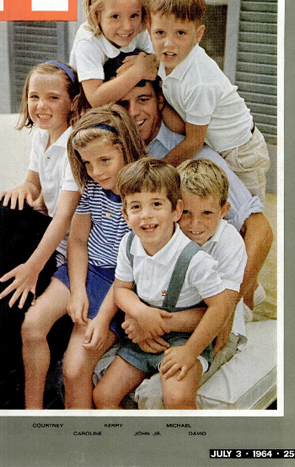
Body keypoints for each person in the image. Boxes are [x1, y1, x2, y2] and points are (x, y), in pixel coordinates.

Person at [116, 76, 272, 324]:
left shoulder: (192, 152)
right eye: (124, 103)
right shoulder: (115, 151)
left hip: (207, 283)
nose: (133, 112)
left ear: (159, 101)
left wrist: (228, 309)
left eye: (143, 100)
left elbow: (259, 229)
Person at [20, 104, 146, 409]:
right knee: (32, 326)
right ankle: (31, 413)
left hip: (119, 284)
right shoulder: (91, 187)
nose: (97, 171)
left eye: (105, 160)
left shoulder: (146, 194)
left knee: (75, 368)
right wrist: (76, 292)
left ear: (127, 150)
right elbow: (77, 241)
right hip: (83, 270)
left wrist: (99, 311)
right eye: (88, 163)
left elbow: (135, 270)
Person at [0, 61, 83, 409]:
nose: (41, 105)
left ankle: (16, 397)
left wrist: (31, 267)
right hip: (45, 229)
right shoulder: (42, 134)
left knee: (12, 299)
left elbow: (64, 218)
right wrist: (23, 188)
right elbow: (34, 184)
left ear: (73, 102)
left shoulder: (74, 145)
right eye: (34, 96)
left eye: (53, 97)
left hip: (66, 248)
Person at [93, 158, 230, 409]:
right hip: (142, 333)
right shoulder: (129, 244)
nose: (146, 215)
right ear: (125, 214)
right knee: (103, 397)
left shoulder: (194, 259)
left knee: (177, 399)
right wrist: (141, 313)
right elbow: (121, 289)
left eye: (156, 204)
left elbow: (220, 307)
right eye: (135, 207)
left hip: (184, 339)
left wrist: (190, 351)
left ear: (175, 210)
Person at [134, 158, 248, 409]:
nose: (195, 224)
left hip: (215, 330)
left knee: (157, 394)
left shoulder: (229, 244)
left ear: (224, 210)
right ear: (175, 209)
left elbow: (221, 311)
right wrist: (138, 316)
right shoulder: (165, 230)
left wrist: (152, 322)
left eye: (207, 213)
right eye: (186, 213)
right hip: (171, 327)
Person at [148, 0, 270, 202]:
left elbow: (193, 142)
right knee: (217, 207)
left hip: (241, 151)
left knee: (247, 211)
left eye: (181, 33)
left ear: (199, 35)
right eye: (160, 33)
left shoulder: (199, 81)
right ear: (150, 30)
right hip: (215, 145)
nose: (169, 44)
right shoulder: (166, 62)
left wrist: (157, 170)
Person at [69, 0, 158, 108]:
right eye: (115, 17)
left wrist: (152, 60)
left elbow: (158, 59)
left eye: (134, 15)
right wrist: (139, 71)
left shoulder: (140, 28)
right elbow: (96, 99)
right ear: (97, 15)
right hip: (87, 107)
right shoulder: (87, 41)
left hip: (125, 98)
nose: (127, 27)